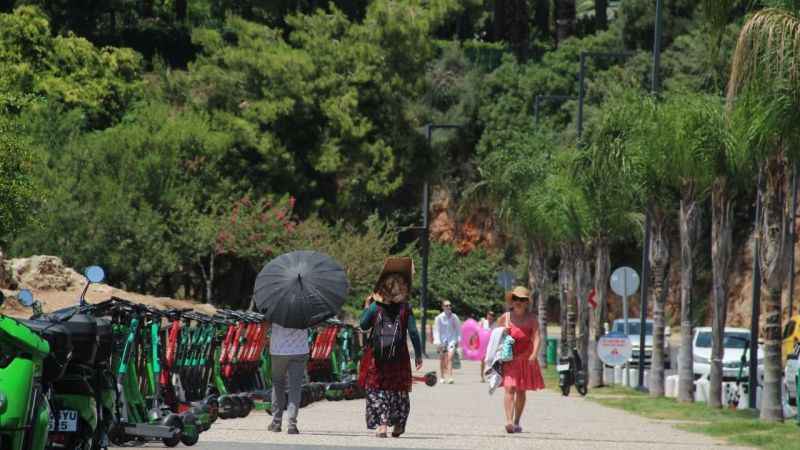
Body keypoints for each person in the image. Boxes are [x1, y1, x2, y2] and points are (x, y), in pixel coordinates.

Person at [359, 257, 423, 438]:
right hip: (399, 356)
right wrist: (418, 355)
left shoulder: (375, 307)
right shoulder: (405, 308)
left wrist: (366, 307)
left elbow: (363, 325)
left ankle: (382, 425)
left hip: (377, 356)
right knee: (399, 389)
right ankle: (399, 423)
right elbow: (414, 333)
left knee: (377, 388)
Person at [497, 286, 544, 434]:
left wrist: (534, 354)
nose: (519, 302)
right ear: (512, 300)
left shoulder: (532, 318)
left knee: (521, 391)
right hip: (509, 358)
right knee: (509, 388)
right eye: (516, 299)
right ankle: (509, 421)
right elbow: (495, 336)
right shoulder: (506, 317)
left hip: (526, 358)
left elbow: (537, 337)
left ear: (526, 302)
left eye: (522, 299)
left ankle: (517, 420)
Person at [267, 322, 309, 435]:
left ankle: (276, 422)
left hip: (278, 350)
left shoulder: (276, 306)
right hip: (300, 350)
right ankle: (292, 424)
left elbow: (266, 323)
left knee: (278, 384)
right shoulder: (306, 306)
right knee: (295, 387)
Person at [433, 300, 461, 384]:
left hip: (452, 340)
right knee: (442, 358)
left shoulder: (454, 317)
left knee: (450, 357)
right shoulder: (439, 318)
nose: (449, 307)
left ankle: (450, 377)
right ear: (443, 307)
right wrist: (437, 342)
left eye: (450, 305)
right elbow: (436, 330)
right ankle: (442, 377)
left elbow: (458, 329)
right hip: (442, 341)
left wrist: (458, 340)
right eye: (446, 305)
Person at [479, 310, 496, 382]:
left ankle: (490, 375)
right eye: (489, 315)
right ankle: (482, 376)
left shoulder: (495, 325)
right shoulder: (483, 322)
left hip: (491, 344)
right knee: (482, 360)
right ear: (487, 316)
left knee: (491, 360)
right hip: (483, 343)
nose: (490, 317)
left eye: (492, 316)